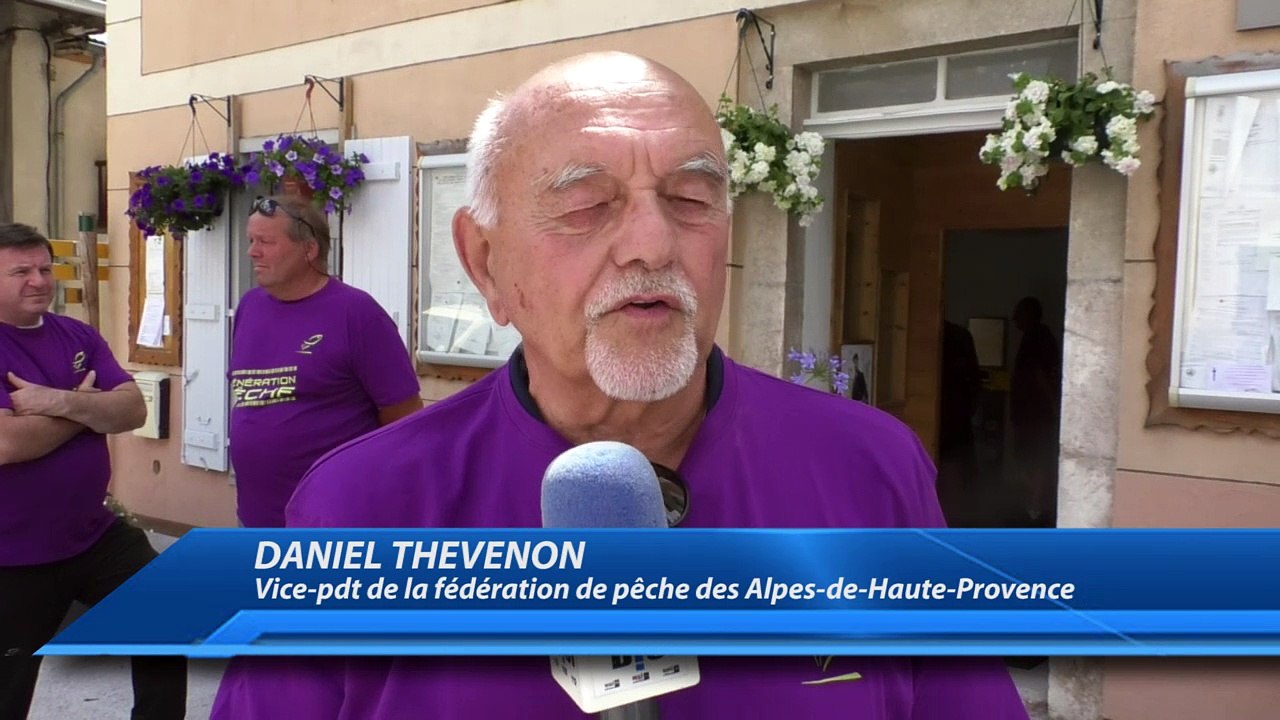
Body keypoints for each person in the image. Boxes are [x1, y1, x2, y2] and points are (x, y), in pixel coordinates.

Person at [212, 53, 1028, 719]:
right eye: (588, 205)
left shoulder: (872, 468)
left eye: (690, 198)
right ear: (486, 263)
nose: (652, 242)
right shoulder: (357, 509)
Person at [0, 223, 186, 720]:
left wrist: (56, 402)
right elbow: (8, 442)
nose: (39, 280)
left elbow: (131, 410)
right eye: (21, 272)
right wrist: (86, 408)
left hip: (92, 535)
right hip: (12, 554)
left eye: (44, 268)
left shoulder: (77, 334)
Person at [227, 196, 423, 527]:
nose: (252, 252)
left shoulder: (356, 314)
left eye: (266, 242)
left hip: (336, 523)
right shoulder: (250, 308)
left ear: (309, 249)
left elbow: (404, 420)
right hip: (256, 520)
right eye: (251, 240)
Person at [1010, 297, 1061, 524]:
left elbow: (1039, 375)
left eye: (1018, 313)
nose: (1014, 318)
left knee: (1036, 459)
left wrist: (1052, 407)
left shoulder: (1037, 338)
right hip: (1031, 413)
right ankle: (1035, 506)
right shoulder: (1036, 337)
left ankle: (1036, 510)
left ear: (1029, 314)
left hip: (1037, 414)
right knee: (1029, 458)